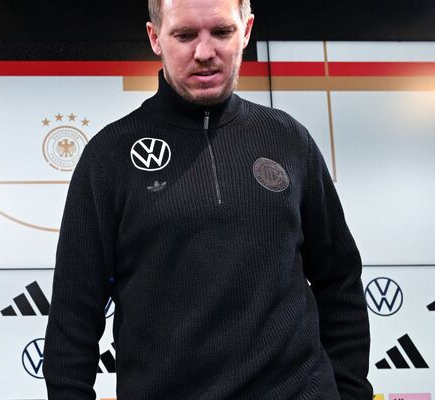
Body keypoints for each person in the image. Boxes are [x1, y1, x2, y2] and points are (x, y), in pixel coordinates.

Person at [43, 0, 373, 398]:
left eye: (221, 32)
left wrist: (350, 392)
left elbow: (339, 279)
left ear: (246, 30)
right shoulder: (108, 157)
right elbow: (72, 320)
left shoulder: (289, 139)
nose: (204, 52)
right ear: (155, 38)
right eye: (184, 35)